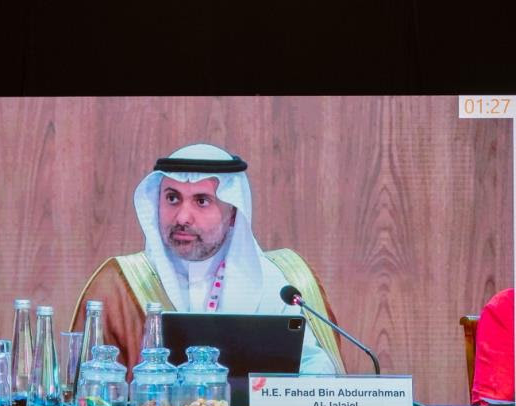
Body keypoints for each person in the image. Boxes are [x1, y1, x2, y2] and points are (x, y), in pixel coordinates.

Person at [72, 143, 344, 375]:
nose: (182, 217)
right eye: (172, 198)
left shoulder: (277, 285)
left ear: (233, 213)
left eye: (202, 201)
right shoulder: (119, 286)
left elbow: (316, 372)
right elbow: (86, 394)